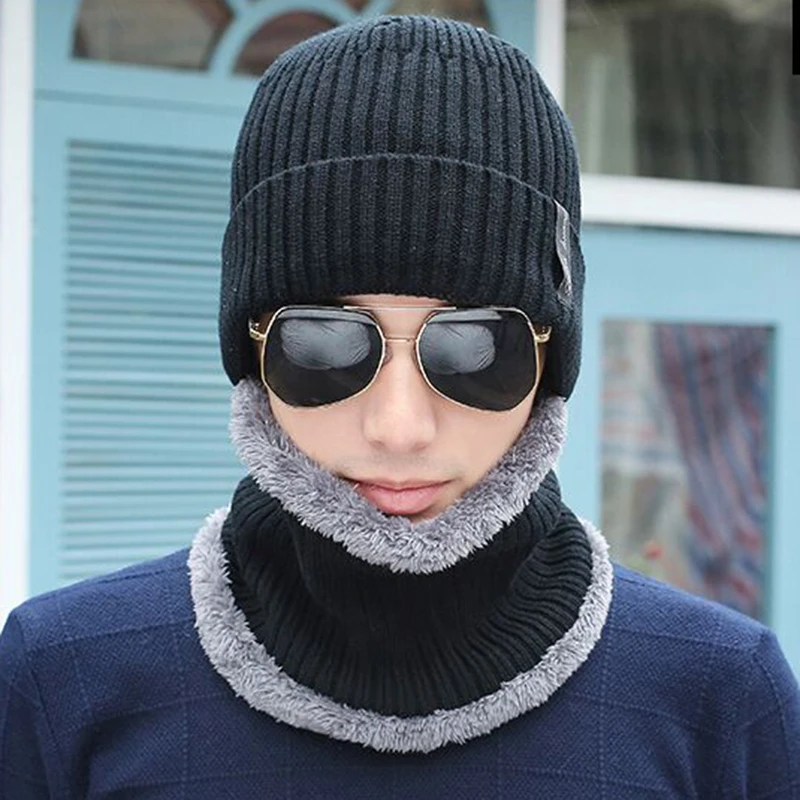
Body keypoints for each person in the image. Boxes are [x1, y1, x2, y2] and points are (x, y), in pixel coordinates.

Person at [1, 14, 798, 799]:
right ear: (251, 348)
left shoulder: (720, 701)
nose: (399, 427)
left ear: (550, 356)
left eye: (477, 347)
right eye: (324, 344)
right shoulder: (64, 680)